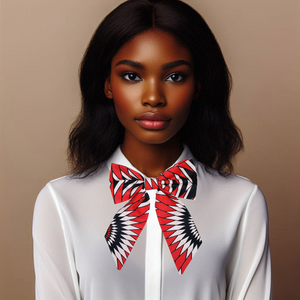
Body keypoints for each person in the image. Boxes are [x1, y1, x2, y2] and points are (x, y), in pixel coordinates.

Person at [32, 0, 272, 299]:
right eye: (132, 76)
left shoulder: (242, 202)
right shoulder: (60, 203)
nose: (154, 97)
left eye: (175, 76)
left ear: (197, 85)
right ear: (107, 84)